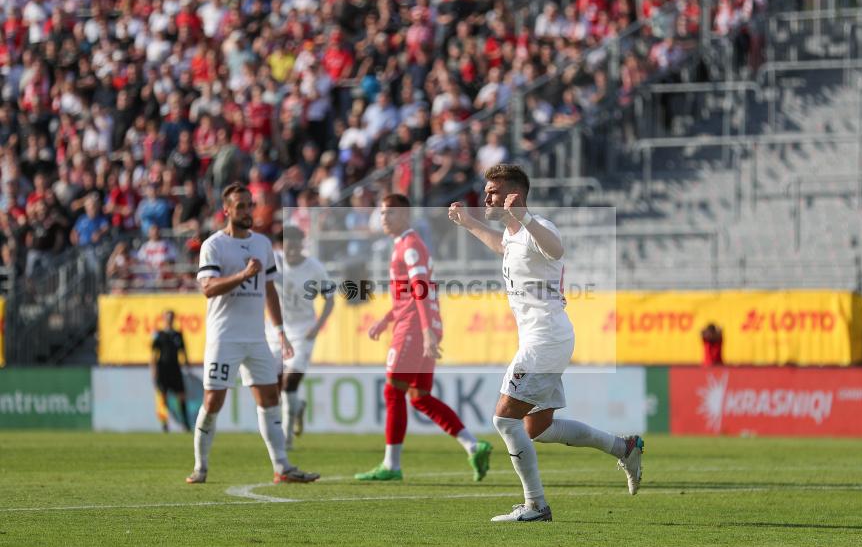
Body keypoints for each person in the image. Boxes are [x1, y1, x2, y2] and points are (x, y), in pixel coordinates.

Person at [448, 164, 644, 522]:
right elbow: (503, 247)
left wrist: (524, 217)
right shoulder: (512, 235)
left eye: (493, 192)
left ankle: (536, 506)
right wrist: (470, 223)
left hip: (545, 338)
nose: (486, 197)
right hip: (546, 337)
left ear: (514, 195)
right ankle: (624, 447)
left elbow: (555, 249)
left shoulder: (538, 226)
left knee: (504, 419)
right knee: (536, 429)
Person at [187, 182, 318, 485]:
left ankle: (282, 467)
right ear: (227, 210)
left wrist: (280, 330)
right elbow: (208, 288)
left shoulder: (262, 244)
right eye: (241, 206)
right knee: (213, 401)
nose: (248, 211)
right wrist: (243, 274)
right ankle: (200, 467)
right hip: (225, 337)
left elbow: (269, 289)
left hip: (257, 338)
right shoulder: (214, 245)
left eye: (250, 205)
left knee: (270, 398)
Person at [356, 193, 492, 482]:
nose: (383, 218)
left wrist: (427, 331)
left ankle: (391, 465)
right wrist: (385, 320)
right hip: (416, 324)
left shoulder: (410, 246)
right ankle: (473, 445)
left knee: (393, 391)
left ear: (405, 215)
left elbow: (421, 287)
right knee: (419, 397)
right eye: (382, 213)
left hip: (415, 327)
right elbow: (408, 293)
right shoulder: (404, 245)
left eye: (390, 213)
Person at [265, 226, 335, 450]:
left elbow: (330, 299)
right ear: (281, 246)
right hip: (276, 332)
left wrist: (317, 327)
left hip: (303, 331)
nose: (292, 249)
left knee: (290, 382)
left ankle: (286, 440)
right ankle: (297, 408)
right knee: (273, 385)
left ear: (302, 245)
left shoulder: (314, 268)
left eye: (296, 244)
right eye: (288, 245)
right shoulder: (272, 262)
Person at [150, 310, 191, 432]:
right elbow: (153, 354)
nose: (169, 319)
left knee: (181, 395)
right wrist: (153, 370)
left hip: (175, 368)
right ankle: (164, 423)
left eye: (171, 317)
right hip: (162, 369)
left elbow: (183, 351)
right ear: (163, 319)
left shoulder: (178, 334)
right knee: (162, 397)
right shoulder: (159, 334)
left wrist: (187, 364)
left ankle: (185, 423)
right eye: (167, 317)